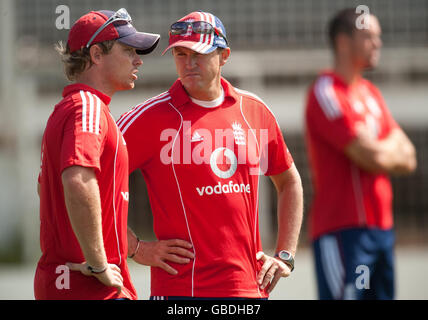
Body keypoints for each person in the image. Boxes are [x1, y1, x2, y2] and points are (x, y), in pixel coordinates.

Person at [119, 11, 304, 300]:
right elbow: (93, 184)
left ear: (224, 55)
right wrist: (135, 247)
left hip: (248, 289)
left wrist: (285, 255)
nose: (189, 64)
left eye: (199, 54)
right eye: (180, 54)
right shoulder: (147, 118)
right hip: (179, 293)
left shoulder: (254, 110)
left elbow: (289, 182)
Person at [34, 8, 160, 300]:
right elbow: (77, 182)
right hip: (87, 287)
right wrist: (97, 261)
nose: (138, 60)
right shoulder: (87, 107)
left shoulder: (71, 108)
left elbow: (44, 189)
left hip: (70, 282)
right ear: (96, 55)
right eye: (128, 50)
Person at [304, 8, 417, 300]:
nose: (377, 43)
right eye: (368, 37)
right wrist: (382, 150)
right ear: (343, 42)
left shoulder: (370, 93)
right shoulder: (326, 91)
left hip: (382, 231)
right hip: (346, 234)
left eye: (378, 37)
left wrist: (377, 150)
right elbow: (372, 157)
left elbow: (410, 156)